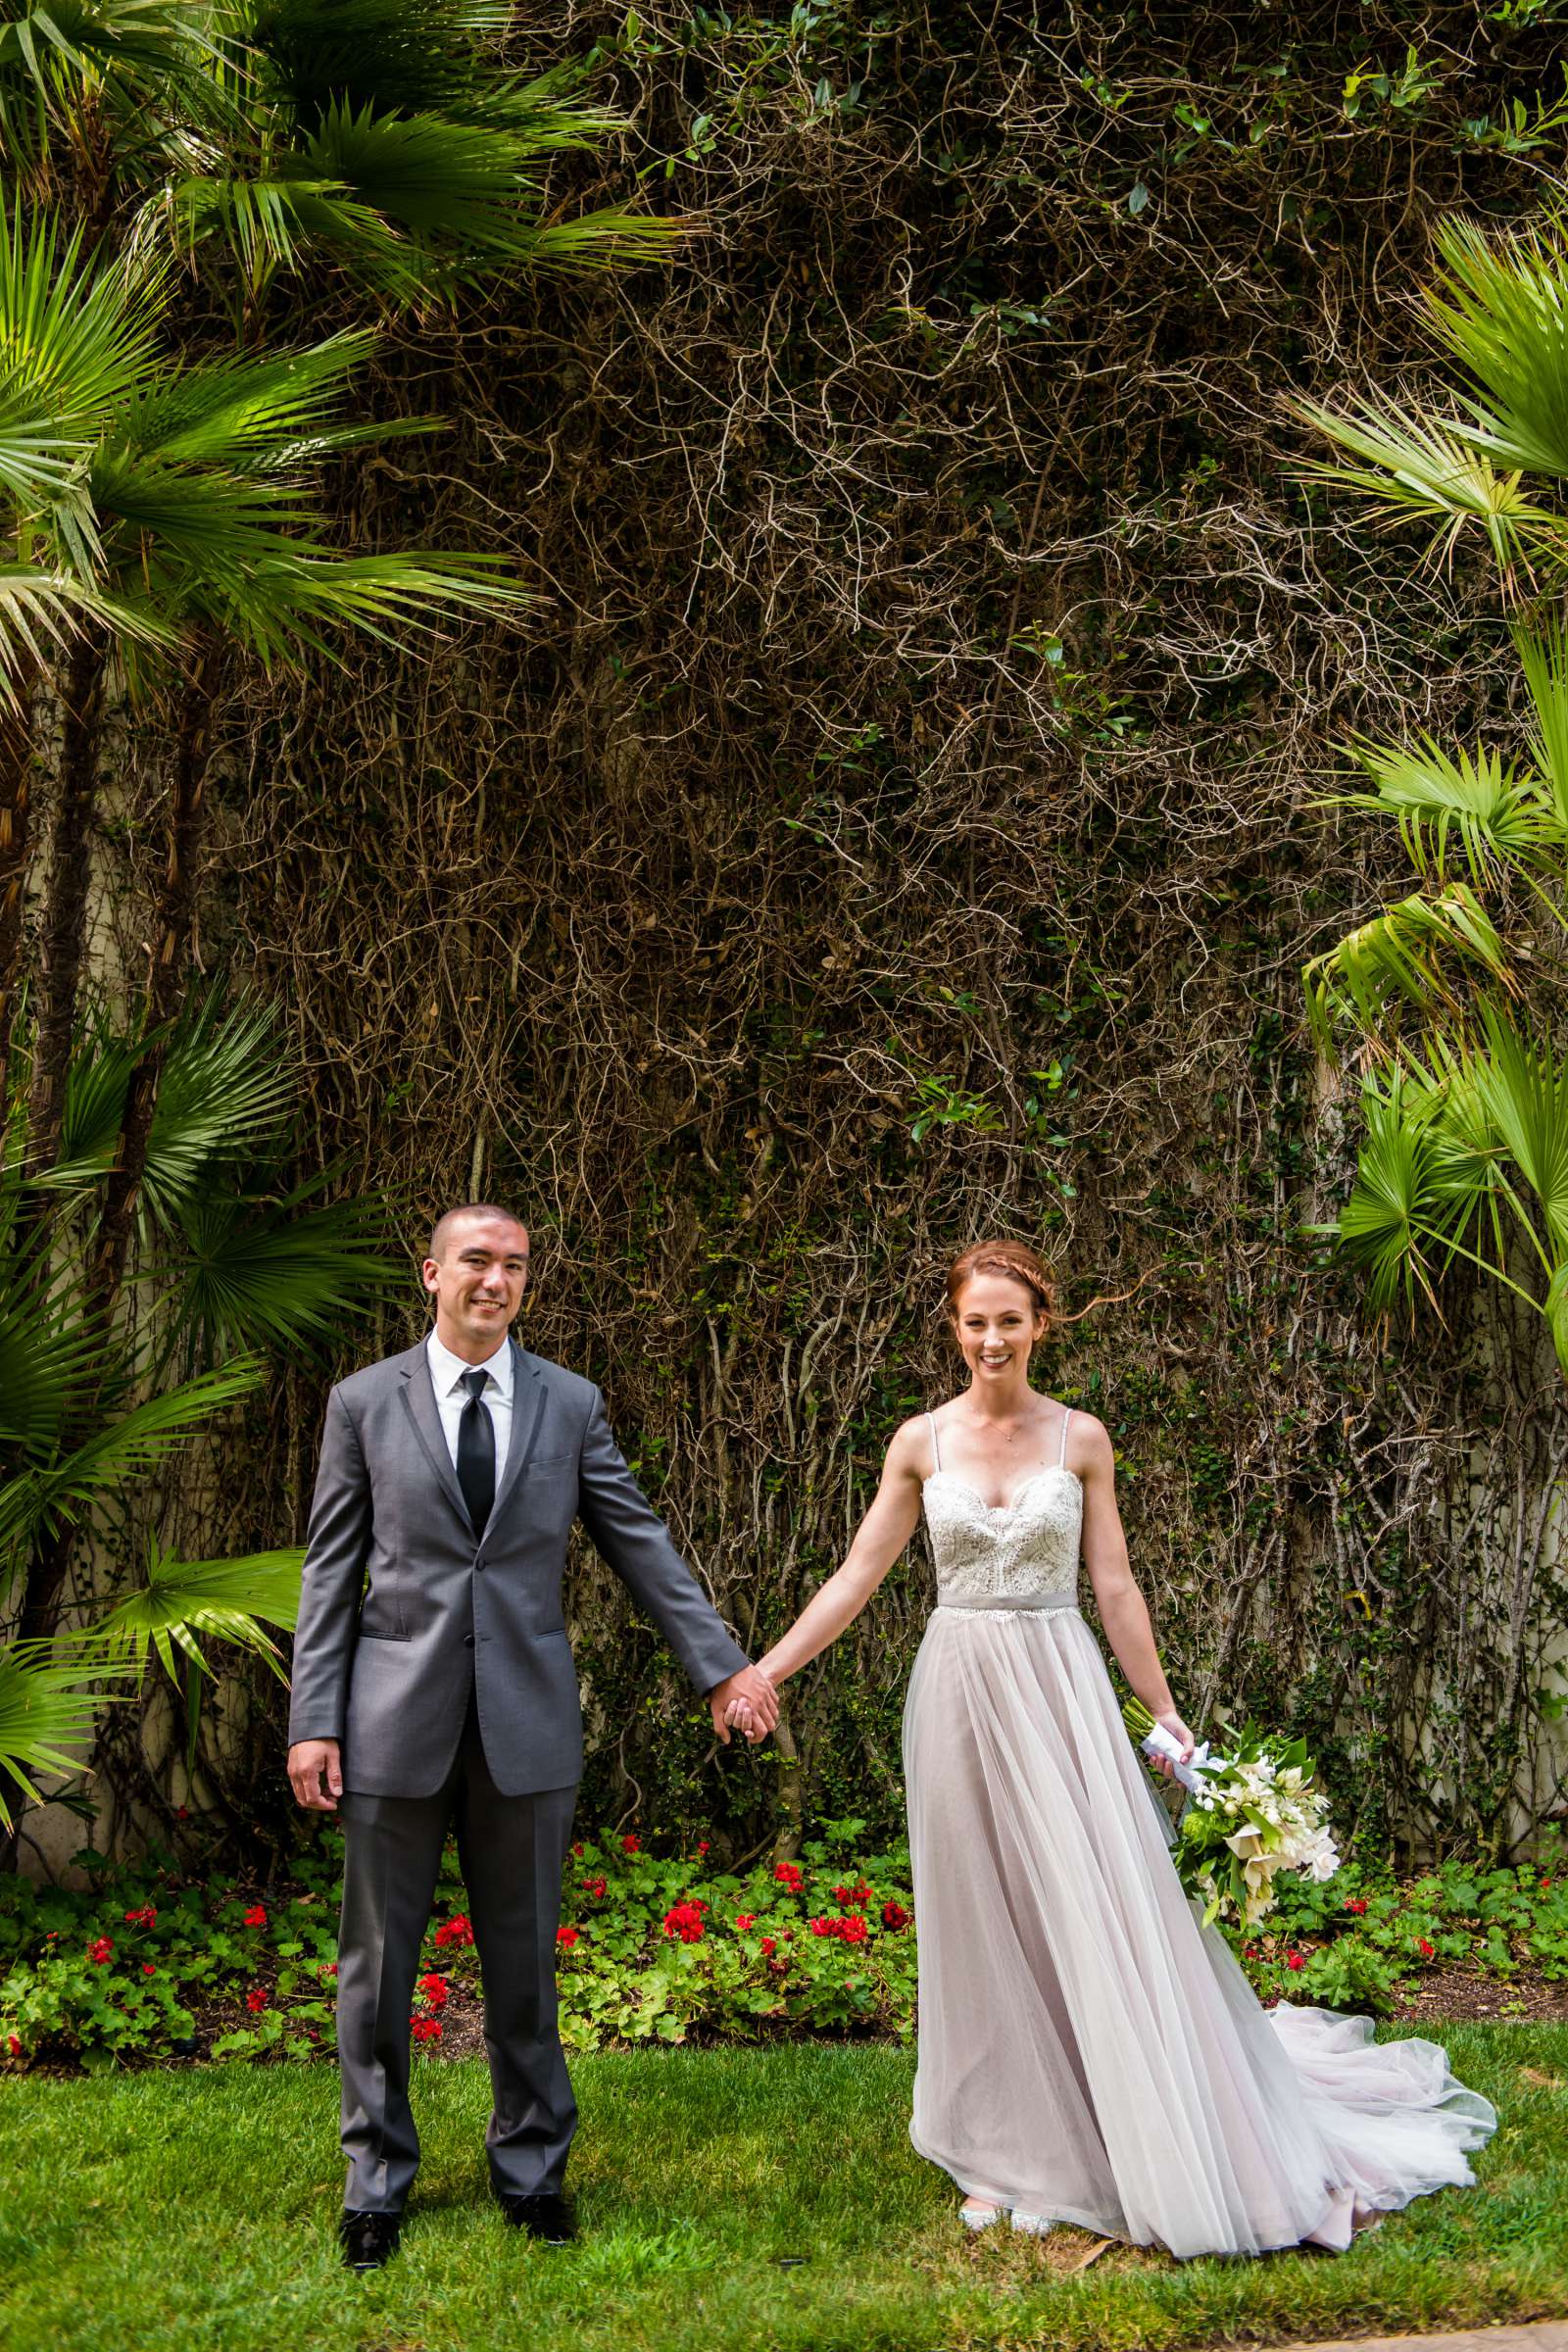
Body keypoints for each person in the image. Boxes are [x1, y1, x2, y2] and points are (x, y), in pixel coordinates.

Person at [726, 1237, 1495, 2257]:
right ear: (952, 1330)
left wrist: (1164, 1713)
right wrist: (763, 1672)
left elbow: (1116, 1584)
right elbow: (855, 1576)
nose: (991, 1338)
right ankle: (1004, 2144)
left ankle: (1110, 2117)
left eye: (1009, 1319)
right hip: (956, 1687)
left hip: (1058, 1686)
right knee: (980, 1910)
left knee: (1085, 1898)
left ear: (1040, 1324)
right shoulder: (919, 1441)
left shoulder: (1079, 1439)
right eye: (974, 1321)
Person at [286, 1203, 777, 2272]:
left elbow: (636, 1540)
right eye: (475, 1261)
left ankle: (532, 2171)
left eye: (512, 1266)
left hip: (525, 1725)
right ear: (431, 1273)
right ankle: (375, 2180)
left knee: (524, 1968)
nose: (494, 1280)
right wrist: (312, 1721)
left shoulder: (569, 1405)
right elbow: (329, 1575)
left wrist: (721, 1666)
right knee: (374, 1969)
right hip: (389, 1724)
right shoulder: (364, 1404)